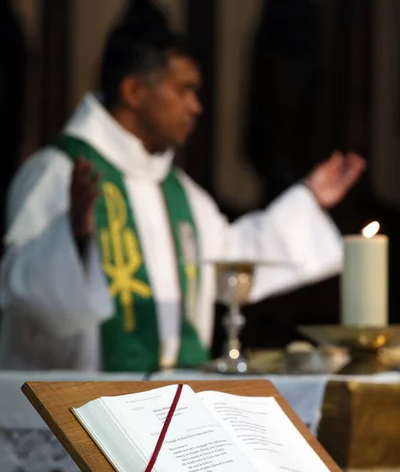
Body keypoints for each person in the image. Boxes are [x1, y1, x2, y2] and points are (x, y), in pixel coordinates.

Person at [0, 23, 365, 372]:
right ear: (134, 92)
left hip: (169, 406)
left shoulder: (179, 192)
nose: (196, 107)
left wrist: (308, 199)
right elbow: (21, 292)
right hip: (73, 411)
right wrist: (73, 239)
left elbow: (232, 263)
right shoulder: (58, 172)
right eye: (183, 90)